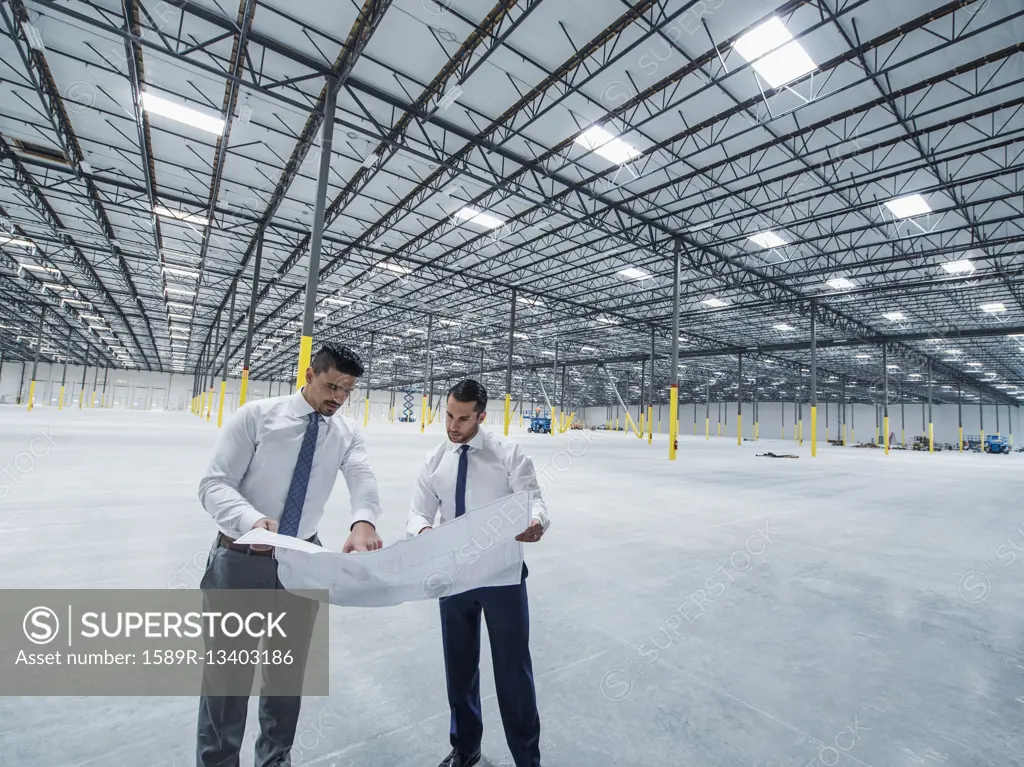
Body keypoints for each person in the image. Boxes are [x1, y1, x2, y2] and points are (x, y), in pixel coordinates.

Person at [195, 343, 383, 766]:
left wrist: (363, 521)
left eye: (347, 390)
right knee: (227, 681)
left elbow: (362, 477)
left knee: (286, 678)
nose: (337, 397)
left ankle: (275, 760)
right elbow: (214, 485)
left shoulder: (346, 433)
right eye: (331, 386)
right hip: (241, 560)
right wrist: (251, 520)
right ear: (309, 376)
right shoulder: (257, 417)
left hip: (302, 562)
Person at [407, 379, 550, 767]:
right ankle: (466, 748)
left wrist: (536, 522)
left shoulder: (508, 454)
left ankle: (526, 758)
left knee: (513, 672)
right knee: (460, 666)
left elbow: (534, 500)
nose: (453, 425)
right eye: (449, 415)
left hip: (502, 576)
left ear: (481, 416)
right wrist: (423, 532)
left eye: (463, 418)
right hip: (453, 577)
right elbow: (418, 512)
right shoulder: (434, 460)